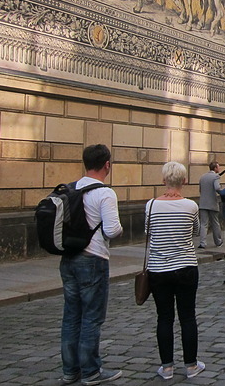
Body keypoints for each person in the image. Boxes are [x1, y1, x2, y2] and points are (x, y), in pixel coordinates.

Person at [59, 144, 124, 386]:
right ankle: (90, 371)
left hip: (68, 259)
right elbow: (112, 229)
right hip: (93, 259)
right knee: (92, 317)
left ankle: (69, 370)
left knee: (71, 315)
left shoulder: (70, 188)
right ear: (107, 164)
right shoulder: (105, 193)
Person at [145, 162, 205, 380]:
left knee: (164, 317)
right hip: (186, 266)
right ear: (184, 181)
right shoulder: (190, 206)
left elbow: (147, 231)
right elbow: (196, 231)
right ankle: (191, 365)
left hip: (158, 269)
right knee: (187, 316)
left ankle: (167, 367)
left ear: (163, 181)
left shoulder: (151, 205)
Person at [197, 162, 223, 249]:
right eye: (218, 167)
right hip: (212, 203)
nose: (219, 169)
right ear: (215, 168)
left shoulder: (202, 177)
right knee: (215, 223)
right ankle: (218, 241)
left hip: (203, 203)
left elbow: (200, 190)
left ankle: (202, 243)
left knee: (203, 224)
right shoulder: (216, 176)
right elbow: (217, 188)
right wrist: (222, 191)